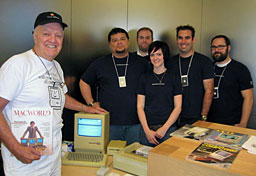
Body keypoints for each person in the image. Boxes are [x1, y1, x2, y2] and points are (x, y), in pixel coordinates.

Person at [0, 11, 105, 176]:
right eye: (46, 34)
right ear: (35, 36)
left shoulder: (56, 66)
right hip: (24, 161)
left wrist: (86, 108)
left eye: (58, 36)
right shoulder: (18, 64)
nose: (53, 40)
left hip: (52, 155)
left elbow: (60, 97)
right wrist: (16, 148)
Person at [80, 27, 149, 145]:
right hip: (110, 123)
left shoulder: (141, 63)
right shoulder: (101, 63)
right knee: (111, 158)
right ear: (110, 44)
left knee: (134, 158)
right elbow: (84, 82)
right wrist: (91, 103)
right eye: (114, 40)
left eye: (122, 39)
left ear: (128, 41)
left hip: (137, 122)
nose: (119, 43)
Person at [167, 25, 214, 127]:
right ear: (176, 39)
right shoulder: (170, 62)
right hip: (173, 117)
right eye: (180, 38)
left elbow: (209, 90)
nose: (183, 41)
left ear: (193, 39)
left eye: (187, 38)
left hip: (196, 117)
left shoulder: (204, 61)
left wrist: (204, 116)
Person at [137, 41, 182, 147]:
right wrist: (147, 131)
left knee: (167, 162)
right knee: (144, 162)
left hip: (168, 130)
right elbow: (140, 106)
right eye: (152, 55)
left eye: (159, 54)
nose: (155, 58)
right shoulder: (144, 78)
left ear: (164, 55)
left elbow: (178, 107)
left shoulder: (174, 77)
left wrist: (164, 129)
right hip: (147, 131)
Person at [207, 35, 254, 127]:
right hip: (209, 122)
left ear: (228, 48)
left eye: (221, 47)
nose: (217, 50)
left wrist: (243, 123)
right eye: (214, 47)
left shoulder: (240, 69)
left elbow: (249, 98)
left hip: (233, 123)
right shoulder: (207, 68)